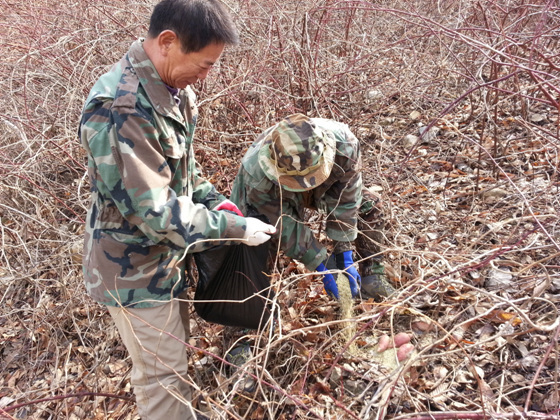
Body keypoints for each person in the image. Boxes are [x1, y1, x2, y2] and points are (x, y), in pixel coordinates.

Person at [78, 1, 276, 419]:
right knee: (161, 378)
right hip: (133, 272)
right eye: (203, 65)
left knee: (174, 362)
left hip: (167, 260)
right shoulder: (122, 109)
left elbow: (182, 171)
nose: (205, 77)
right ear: (167, 42)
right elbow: (155, 213)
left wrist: (216, 201)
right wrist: (234, 229)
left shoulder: (172, 91)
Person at [230, 113, 395, 301]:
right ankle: (254, 304)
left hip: (324, 189)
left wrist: (344, 252)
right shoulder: (256, 176)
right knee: (256, 236)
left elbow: (347, 199)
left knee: (369, 204)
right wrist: (321, 262)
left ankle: (373, 279)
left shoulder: (345, 145)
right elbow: (285, 226)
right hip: (275, 196)